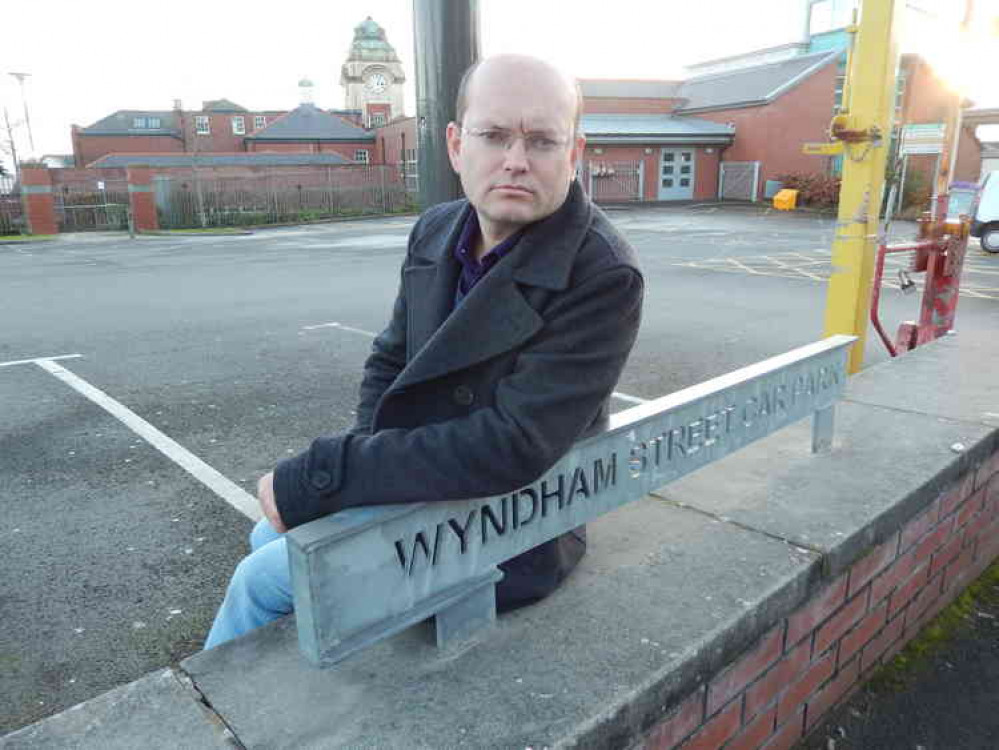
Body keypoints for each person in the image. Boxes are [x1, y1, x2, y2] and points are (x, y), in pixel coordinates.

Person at [204, 54, 644, 649]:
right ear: (457, 145)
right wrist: (363, 475)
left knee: (261, 580)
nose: (516, 160)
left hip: (510, 522)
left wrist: (330, 475)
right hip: (419, 482)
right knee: (270, 540)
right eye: (494, 136)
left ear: (573, 154)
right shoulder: (437, 229)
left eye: (542, 141)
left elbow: (511, 447)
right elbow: (389, 360)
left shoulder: (602, 273)